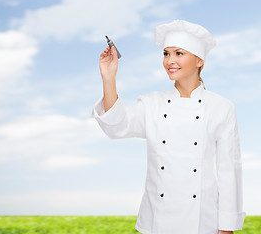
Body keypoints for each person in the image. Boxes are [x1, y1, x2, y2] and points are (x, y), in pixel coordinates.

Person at [91, 20, 246, 234]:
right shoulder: (152, 104)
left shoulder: (221, 108)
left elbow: (230, 171)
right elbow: (116, 127)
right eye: (166, 54)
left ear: (199, 60)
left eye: (179, 53)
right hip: (157, 221)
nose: (169, 61)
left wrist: (227, 227)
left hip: (203, 221)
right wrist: (109, 78)